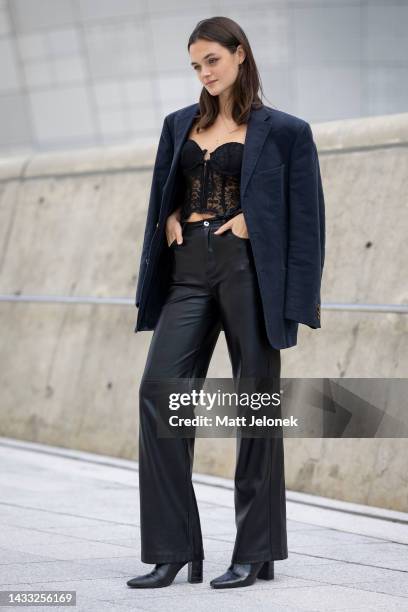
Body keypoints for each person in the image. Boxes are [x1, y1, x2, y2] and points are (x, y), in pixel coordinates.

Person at [127, 16, 325, 590]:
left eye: (212, 59)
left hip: (249, 271)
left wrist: (254, 233)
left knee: (255, 404)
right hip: (187, 269)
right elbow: (165, 189)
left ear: (240, 55)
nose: (205, 73)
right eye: (196, 65)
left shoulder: (286, 131)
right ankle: (171, 549)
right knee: (159, 391)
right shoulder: (177, 125)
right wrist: (169, 216)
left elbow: (307, 221)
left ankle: (255, 550)